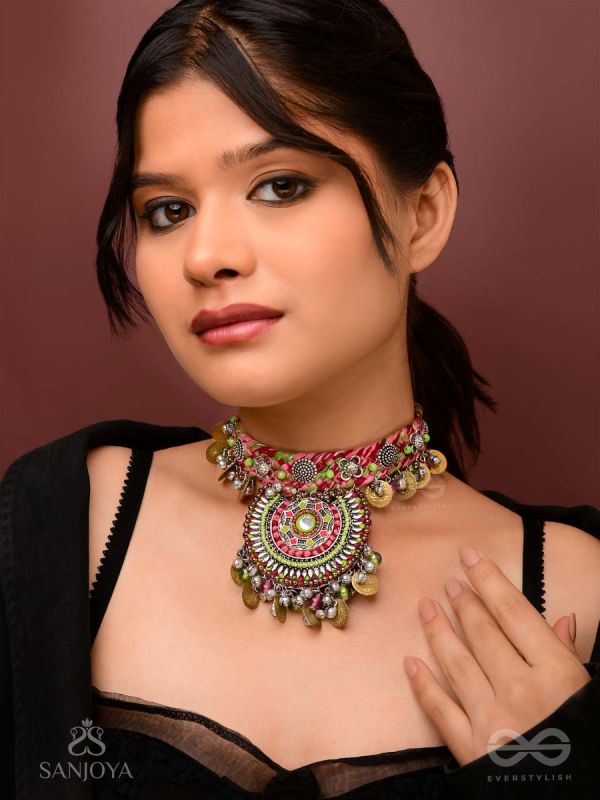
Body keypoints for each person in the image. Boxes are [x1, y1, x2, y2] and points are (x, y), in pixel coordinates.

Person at [1, 1, 598, 798]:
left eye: (280, 186)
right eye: (168, 211)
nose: (207, 255)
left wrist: (558, 770)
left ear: (423, 214)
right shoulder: (58, 524)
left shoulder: (578, 589)